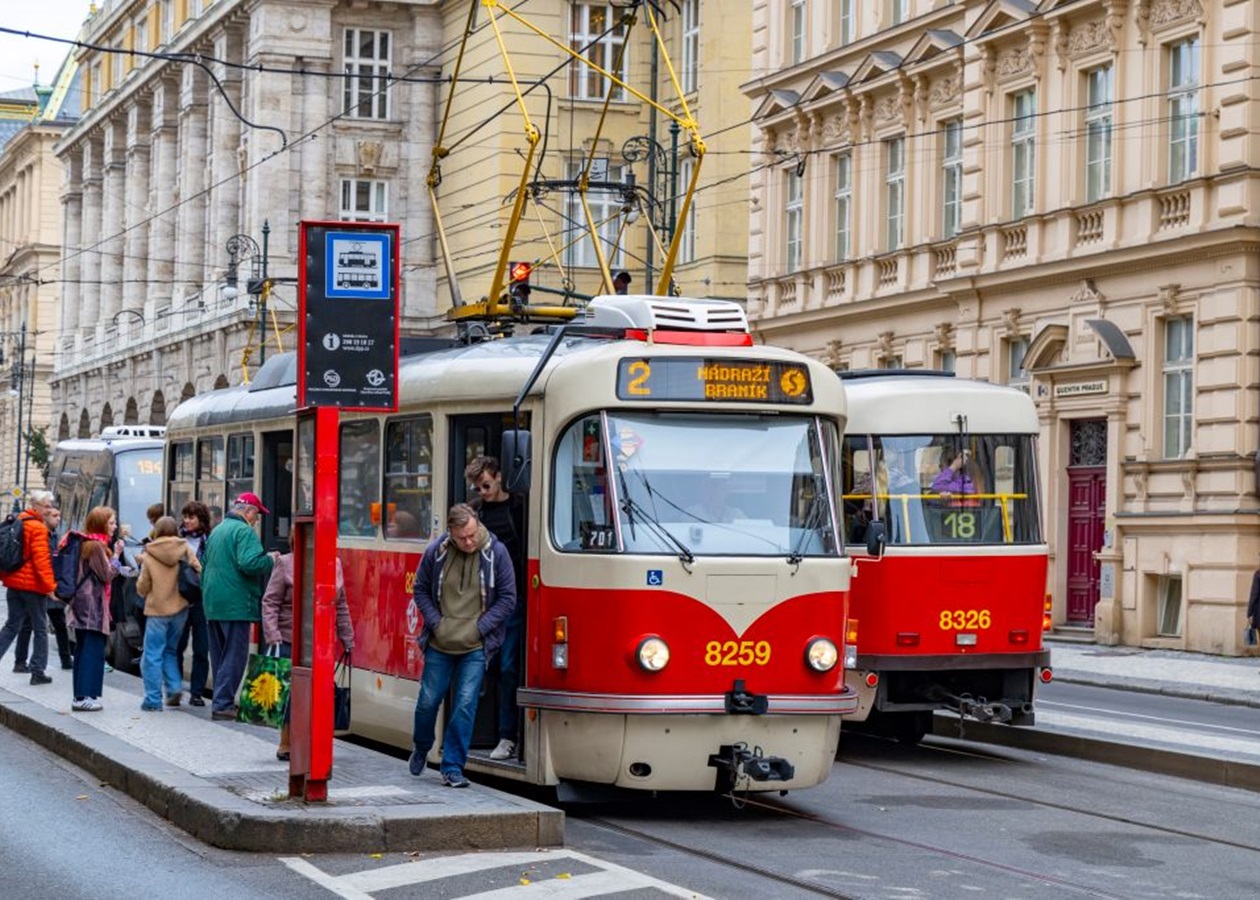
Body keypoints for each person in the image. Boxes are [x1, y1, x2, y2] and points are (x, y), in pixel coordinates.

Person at [409, 503, 516, 787]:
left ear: (477, 524)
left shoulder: (497, 553)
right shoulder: (436, 552)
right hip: (440, 643)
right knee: (427, 703)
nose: (468, 542)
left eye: (471, 535)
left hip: (475, 647)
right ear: (450, 533)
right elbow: (419, 589)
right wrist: (437, 623)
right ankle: (422, 746)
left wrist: (479, 628)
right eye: (461, 538)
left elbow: (508, 598)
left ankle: (453, 767)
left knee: (466, 705)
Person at [261, 539, 354, 761]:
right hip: (288, 638)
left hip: (321, 642)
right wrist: (272, 635)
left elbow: (340, 605)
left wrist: (347, 637)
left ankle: (312, 742)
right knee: (291, 694)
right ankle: (286, 742)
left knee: (318, 692)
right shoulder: (284, 563)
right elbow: (270, 602)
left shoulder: (336, 565)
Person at [466, 455, 526, 762]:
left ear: (500, 477)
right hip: (482, 600)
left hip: (512, 599)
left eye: (486, 485)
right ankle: (473, 732)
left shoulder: (521, 507)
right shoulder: (475, 512)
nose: (483, 492)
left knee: (507, 666)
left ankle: (507, 735)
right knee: (481, 665)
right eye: (477, 487)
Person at [202, 493, 276, 721]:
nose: (256, 521)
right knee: (235, 655)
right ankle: (223, 704)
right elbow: (249, 563)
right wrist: (271, 559)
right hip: (235, 604)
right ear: (249, 512)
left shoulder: (218, 530)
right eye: (257, 516)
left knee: (219, 655)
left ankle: (220, 700)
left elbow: (204, 565)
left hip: (213, 602)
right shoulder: (244, 531)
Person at [135, 516, 199, 711]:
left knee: (152, 655)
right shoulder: (185, 548)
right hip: (180, 609)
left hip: (157, 610)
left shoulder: (150, 553)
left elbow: (143, 586)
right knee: (170, 651)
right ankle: (174, 687)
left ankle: (153, 700)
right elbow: (198, 570)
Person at [65, 506, 126, 711]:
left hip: (82, 605)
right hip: (91, 607)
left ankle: (80, 695)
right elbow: (107, 575)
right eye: (111, 522)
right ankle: (84, 697)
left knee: (83, 650)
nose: (115, 526)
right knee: (92, 651)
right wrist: (117, 556)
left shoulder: (87, 543)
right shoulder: (96, 546)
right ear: (101, 524)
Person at [0, 491, 60, 685]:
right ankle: (38, 671)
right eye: (47, 506)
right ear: (36, 506)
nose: (49, 509)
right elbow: (42, 562)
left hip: (14, 582)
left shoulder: (18, 520)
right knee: (40, 628)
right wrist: (50, 587)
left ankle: (22, 664)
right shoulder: (37, 528)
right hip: (32, 586)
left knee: (11, 625)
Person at [13, 503, 73, 673]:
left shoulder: (56, 536)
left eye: (59, 515)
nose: (58, 519)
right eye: (55, 516)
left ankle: (66, 659)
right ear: (45, 517)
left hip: (51, 585)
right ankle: (20, 662)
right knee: (28, 624)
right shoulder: (40, 534)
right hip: (40, 587)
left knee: (59, 624)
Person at [175, 501, 213, 706]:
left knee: (201, 647)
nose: (187, 521)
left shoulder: (210, 540)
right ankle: (176, 688)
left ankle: (196, 692)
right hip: (180, 598)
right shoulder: (176, 539)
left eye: (191, 517)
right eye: (185, 517)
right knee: (177, 646)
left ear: (201, 520)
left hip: (201, 600)